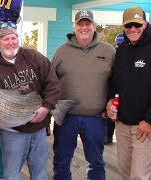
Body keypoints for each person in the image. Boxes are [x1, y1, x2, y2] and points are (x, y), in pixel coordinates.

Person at [0, 21, 61, 180]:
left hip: (38, 128)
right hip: (12, 132)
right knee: (11, 175)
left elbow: (53, 83)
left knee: (40, 174)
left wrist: (47, 107)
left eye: (13, 38)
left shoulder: (34, 57)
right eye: (6, 39)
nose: (11, 42)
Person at [51, 10, 115, 180]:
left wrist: (110, 104)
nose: (84, 27)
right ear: (75, 27)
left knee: (96, 163)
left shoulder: (109, 51)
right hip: (65, 118)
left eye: (88, 24)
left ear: (94, 27)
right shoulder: (61, 51)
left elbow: (116, 82)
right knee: (61, 162)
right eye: (81, 24)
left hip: (96, 118)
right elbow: (50, 82)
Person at [106, 6, 151, 179]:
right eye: (128, 25)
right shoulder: (122, 49)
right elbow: (115, 81)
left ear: (145, 24)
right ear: (123, 26)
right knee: (125, 172)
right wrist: (110, 99)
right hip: (122, 124)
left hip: (144, 127)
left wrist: (148, 120)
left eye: (137, 24)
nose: (133, 29)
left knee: (140, 175)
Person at [104, 32, 125, 145]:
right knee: (111, 114)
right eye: (118, 44)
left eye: (122, 44)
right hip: (113, 91)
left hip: (125, 93)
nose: (119, 46)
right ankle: (108, 136)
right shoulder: (113, 55)